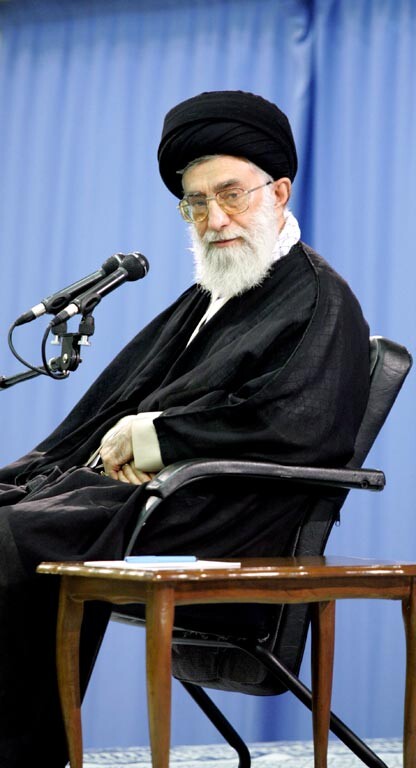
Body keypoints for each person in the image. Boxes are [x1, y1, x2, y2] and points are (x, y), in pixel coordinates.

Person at [0, 90, 369, 767]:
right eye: (195, 203)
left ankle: (22, 751)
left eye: (230, 195)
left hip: (228, 512)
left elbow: (299, 423)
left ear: (278, 191)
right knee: (14, 501)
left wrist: (156, 438)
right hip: (159, 494)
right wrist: (73, 458)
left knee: (14, 536)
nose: (213, 219)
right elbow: (122, 398)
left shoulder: (319, 296)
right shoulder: (211, 293)